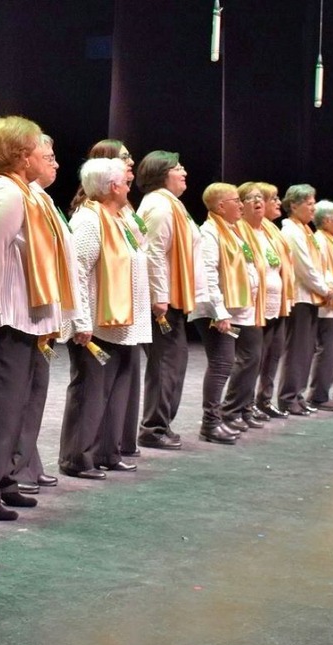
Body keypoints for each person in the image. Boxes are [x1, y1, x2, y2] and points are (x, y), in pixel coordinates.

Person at [0, 116, 78, 521]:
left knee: (18, 407)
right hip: (5, 319)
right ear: (22, 156)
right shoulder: (7, 195)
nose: (49, 158)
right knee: (1, 407)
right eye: (41, 151)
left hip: (26, 319)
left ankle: (4, 478)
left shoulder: (28, 195)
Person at [59, 157, 150, 477]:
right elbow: (77, 272)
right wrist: (80, 320)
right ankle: (77, 458)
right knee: (91, 392)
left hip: (124, 322)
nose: (129, 187)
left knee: (116, 391)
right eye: (125, 183)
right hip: (97, 323)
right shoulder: (89, 220)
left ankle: (107, 452)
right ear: (112, 187)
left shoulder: (120, 218)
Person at [135, 151, 208, 449]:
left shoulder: (172, 205)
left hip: (173, 299)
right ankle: (153, 428)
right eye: (178, 168)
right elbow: (153, 253)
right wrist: (160, 297)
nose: (184, 172)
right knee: (166, 364)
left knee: (174, 363)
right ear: (162, 173)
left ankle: (160, 424)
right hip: (162, 304)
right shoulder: (160, 207)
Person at [12, 135, 66, 494]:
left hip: (41, 311)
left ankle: (28, 460)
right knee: (17, 396)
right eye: (48, 156)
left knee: (35, 391)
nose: (55, 163)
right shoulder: (12, 195)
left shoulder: (41, 198)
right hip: (20, 310)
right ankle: (15, 467)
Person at [190, 183, 259, 443]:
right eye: (236, 200)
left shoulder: (232, 232)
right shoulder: (209, 233)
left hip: (232, 309)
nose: (241, 205)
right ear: (221, 206)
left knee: (229, 362)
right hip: (214, 311)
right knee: (221, 365)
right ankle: (210, 423)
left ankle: (220, 419)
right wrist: (219, 312)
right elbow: (207, 274)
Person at [277, 184, 333, 416]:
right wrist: (324, 289)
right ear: (293, 205)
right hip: (300, 297)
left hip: (311, 297)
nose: (313, 208)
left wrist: (325, 288)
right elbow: (304, 267)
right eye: (309, 204)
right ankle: (288, 397)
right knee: (297, 350)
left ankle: (297, 394)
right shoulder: (291, 231)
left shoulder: (305, 230)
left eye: (314, 203)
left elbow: (318, 265)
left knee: (306, 349)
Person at [249, 182, 293, 420]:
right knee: (257, 356)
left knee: (273, 354)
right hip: (261, 304)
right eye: (273, 198)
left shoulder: (272, 230)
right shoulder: (251, 230)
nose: (278, 203)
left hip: (278, 303)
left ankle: (264, 399)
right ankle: (247, 403)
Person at [306, 201, 333, 411]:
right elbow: (323, 272)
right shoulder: (320, 241)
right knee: (328, 350)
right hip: (328, 304)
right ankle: (318, 395)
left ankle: (323, 392)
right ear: (326, 220)